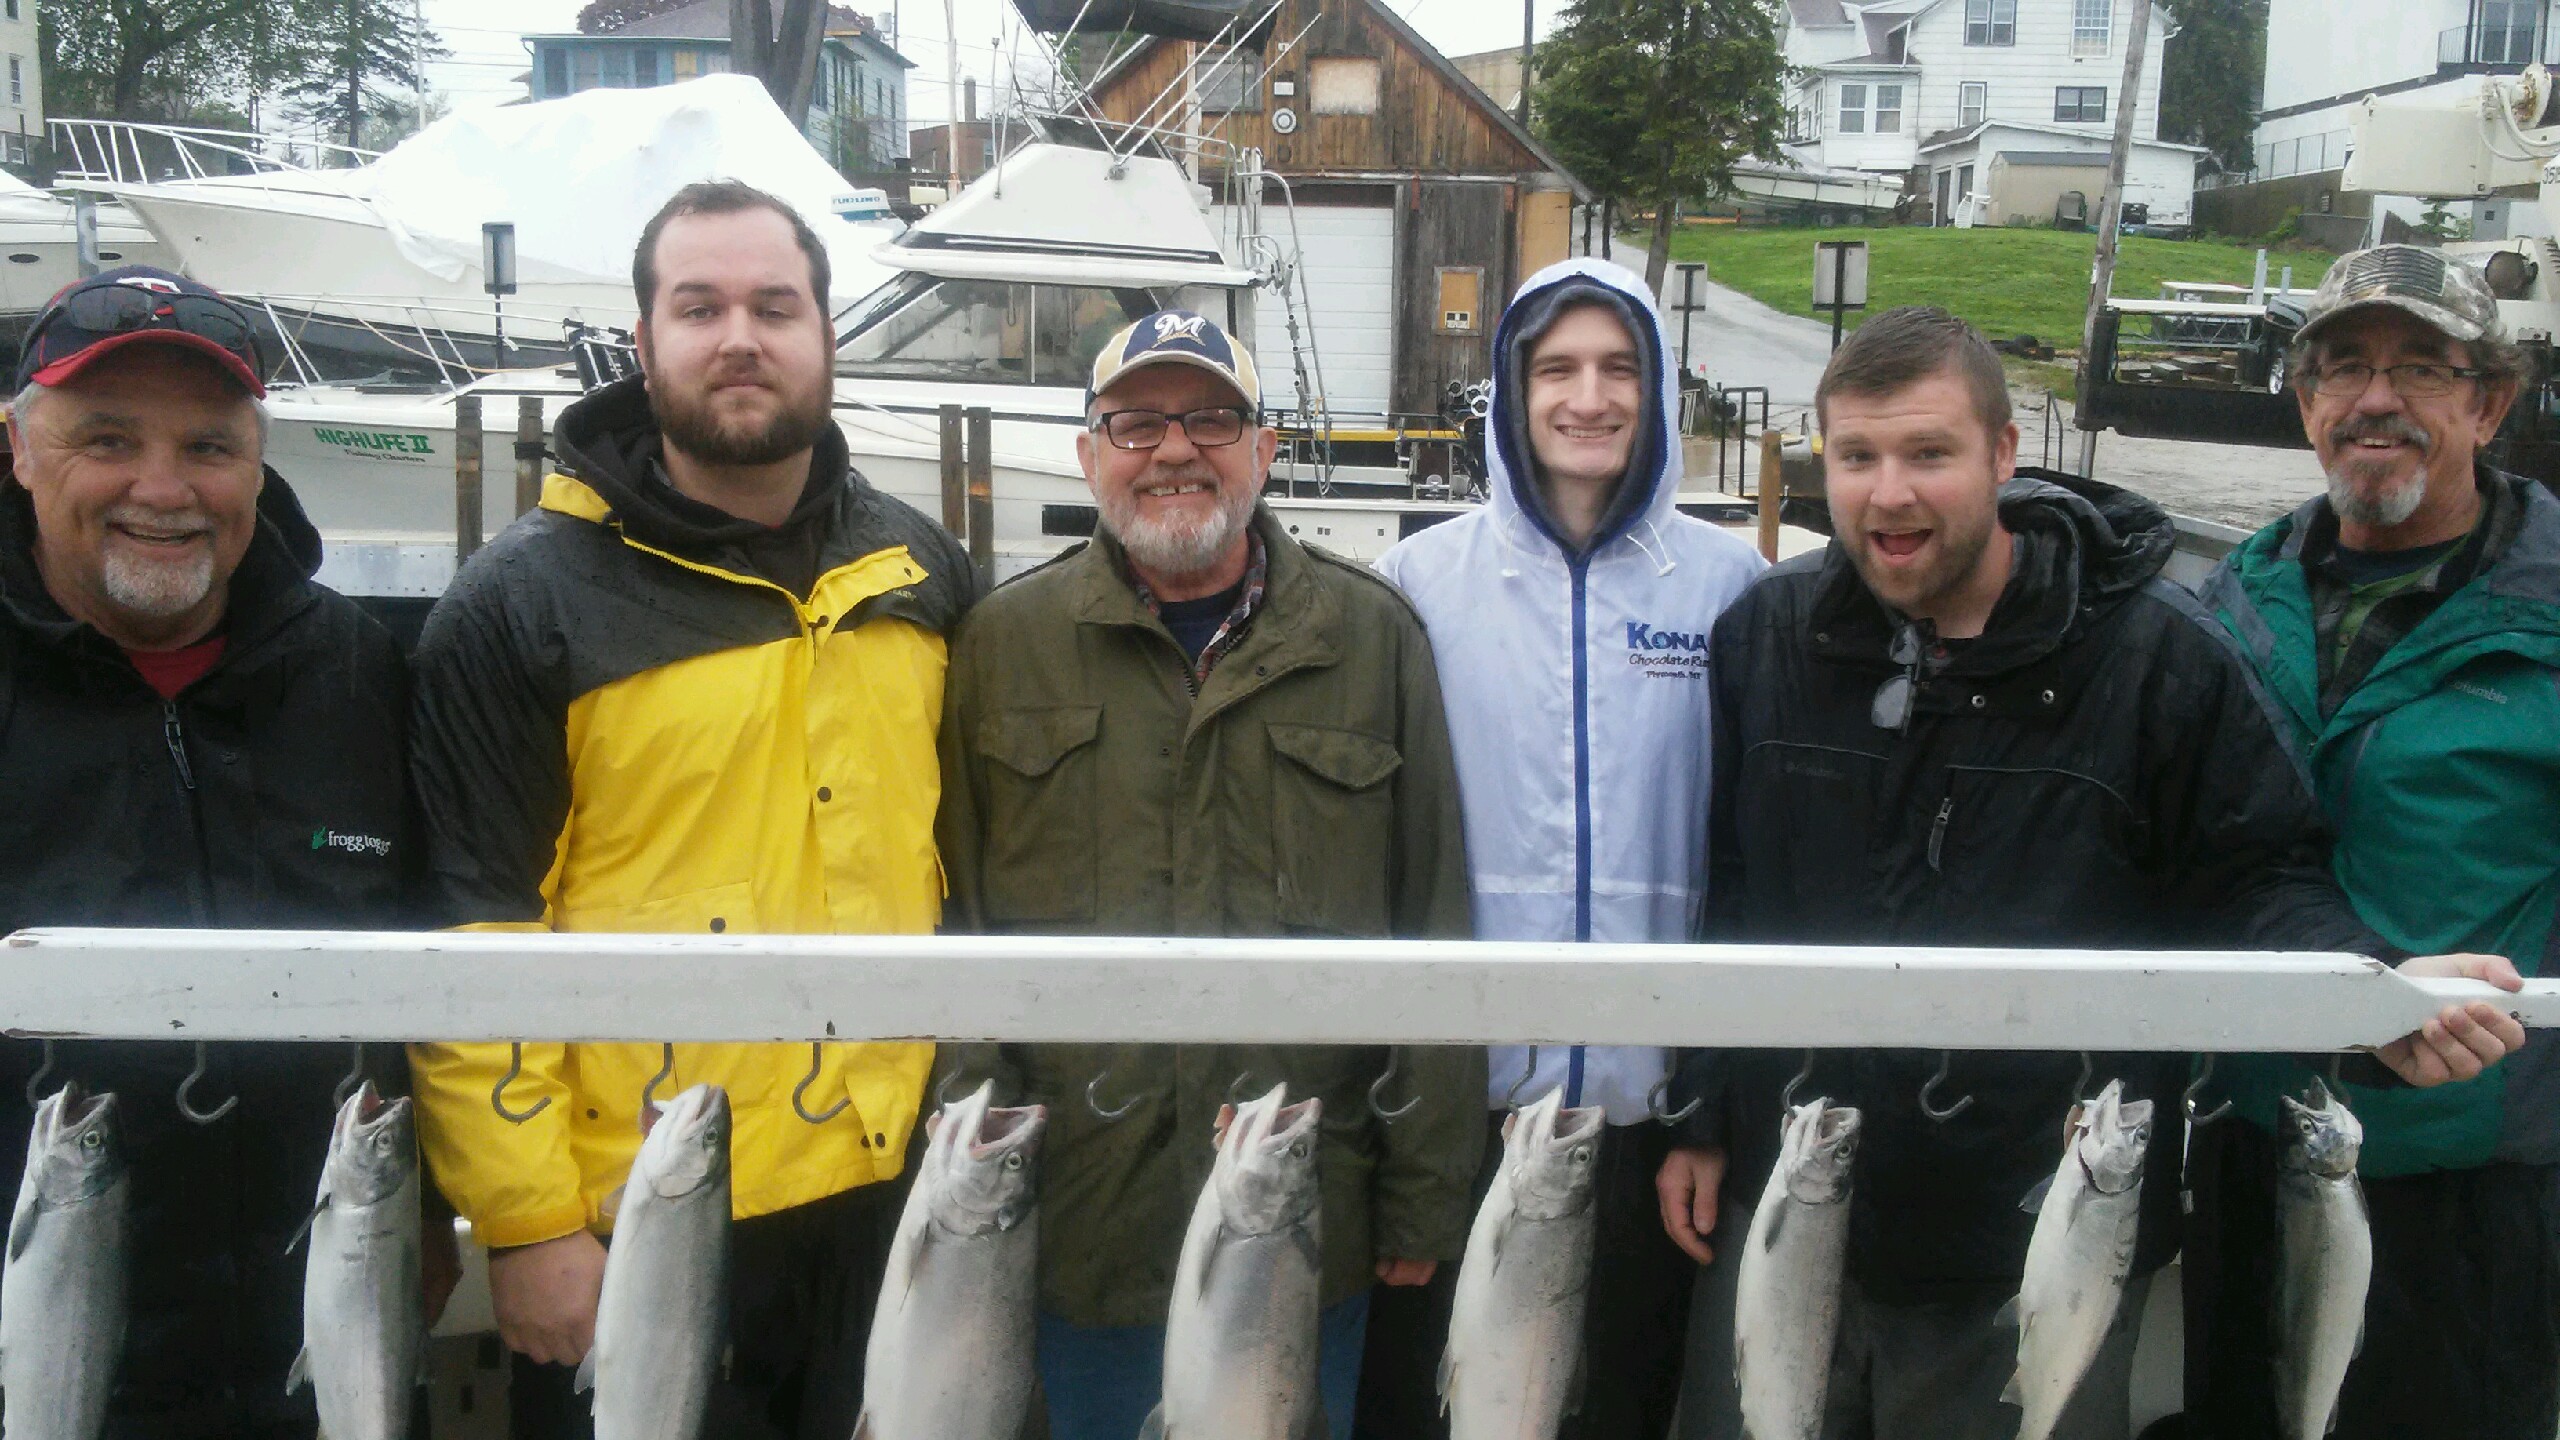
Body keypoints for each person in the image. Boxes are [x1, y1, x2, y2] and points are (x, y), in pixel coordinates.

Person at [1659, 305, 2524, 1440]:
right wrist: (1696, 1111)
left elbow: (2255, 879)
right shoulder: (1766, 634)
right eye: (1856, 457)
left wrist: (2374, 993)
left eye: (1928, 453)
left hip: (2039, 1227)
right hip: (1788, 1193)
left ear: (2004, 455)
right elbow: (1729, 888)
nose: (1888, 495)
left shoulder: (2157, 656)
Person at [404, 181, 974, 1440]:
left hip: (895, 1190)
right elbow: (471, 932)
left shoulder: (918, 571)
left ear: (825, 332)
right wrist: (526, 1221)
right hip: (649, 1210)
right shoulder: (521, 606)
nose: (740, 338)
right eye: (699, 307)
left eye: (776, 306)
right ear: (644, 338)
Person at [936, 309, 1484, 1440]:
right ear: (1087, 456)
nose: (1176, 450)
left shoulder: (1373, 637)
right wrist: (973, 1159)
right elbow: (957, 925)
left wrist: (1427, 1191)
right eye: (1136, 424)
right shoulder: (1000, 643)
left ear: (1265, 449)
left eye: (1212, 421)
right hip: (1084, 1221)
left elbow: (1434, 919)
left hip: (1304, 1220)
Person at [0, 266, 435, 1436]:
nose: (163, 488)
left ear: (257, 464)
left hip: (320, 1329)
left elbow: (440, 960)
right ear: (20, 449)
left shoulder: (362, 670)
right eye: (108, 440)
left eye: (208, 446)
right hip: (34, 1337)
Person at [1369, 257, 1765, 1439]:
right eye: (1556, 369)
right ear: (1511, 388)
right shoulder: (1417, 583)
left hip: (1654, 1131)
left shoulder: (1732, 588)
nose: (1588, 398)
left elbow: (1754, 862)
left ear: (1658, 387)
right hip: (1463, 1120)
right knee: (1445, 1409)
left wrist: (1702, 1116)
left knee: (1621, 1410)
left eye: (1618, 368)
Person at [2188, 244, 2560, 1439]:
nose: (2375, 400)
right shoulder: (2231, 602)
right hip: (2251, 1139)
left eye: (2421, 369)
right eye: (2342, 367)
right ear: (2304, 403)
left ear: (2488, 404)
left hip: (2467, 1180)